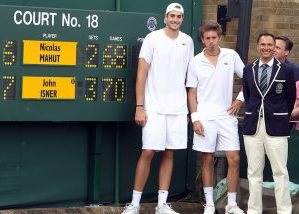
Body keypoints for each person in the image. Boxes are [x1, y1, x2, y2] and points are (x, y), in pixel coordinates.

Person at [121, 2, 194, 214]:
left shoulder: (187, 42)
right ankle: (134, 204)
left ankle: (162, 205)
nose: (175, 19)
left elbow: (190, 78)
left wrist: (188, 111)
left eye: (179, 17)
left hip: (178, 109)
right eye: (172, 16)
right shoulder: (152, 38)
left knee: (169, 153)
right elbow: (142, 73)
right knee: (148, 152)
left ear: (182, 19)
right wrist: (139, 106)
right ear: (165, 17)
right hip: (153, 107)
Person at [186, 21, 245, 214]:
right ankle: (209, 203)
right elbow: (191, 93)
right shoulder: (195, 61)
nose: (211, 41)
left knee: (234, 159)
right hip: (204, 117)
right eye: (207, 38)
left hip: (226, 117)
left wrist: (239, 100)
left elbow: (249, 79)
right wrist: (195, 118)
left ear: (219, 38)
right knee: (207, 159)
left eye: (214, 37)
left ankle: (231, 204)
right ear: (203, 40)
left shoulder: (231, 55)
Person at [242, 32, 296, 214]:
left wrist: (279, 116)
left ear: (274, 47)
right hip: (253, 127)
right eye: (262, 44)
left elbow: (290, 99)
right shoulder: (248, 69)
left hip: (277, 127)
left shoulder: (286, 70)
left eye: (269, 45)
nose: (266, 47)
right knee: (253, 173)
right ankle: (253, 211)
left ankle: (284, 211)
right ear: (257, 46)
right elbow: (249, 96)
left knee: (280, 173)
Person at [274, 36, 299, 127]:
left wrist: (293, 112)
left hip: (287, 121)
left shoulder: (296, 71)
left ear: (286, 52)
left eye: (277, 47)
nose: (273, 49)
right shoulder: (259, 68)